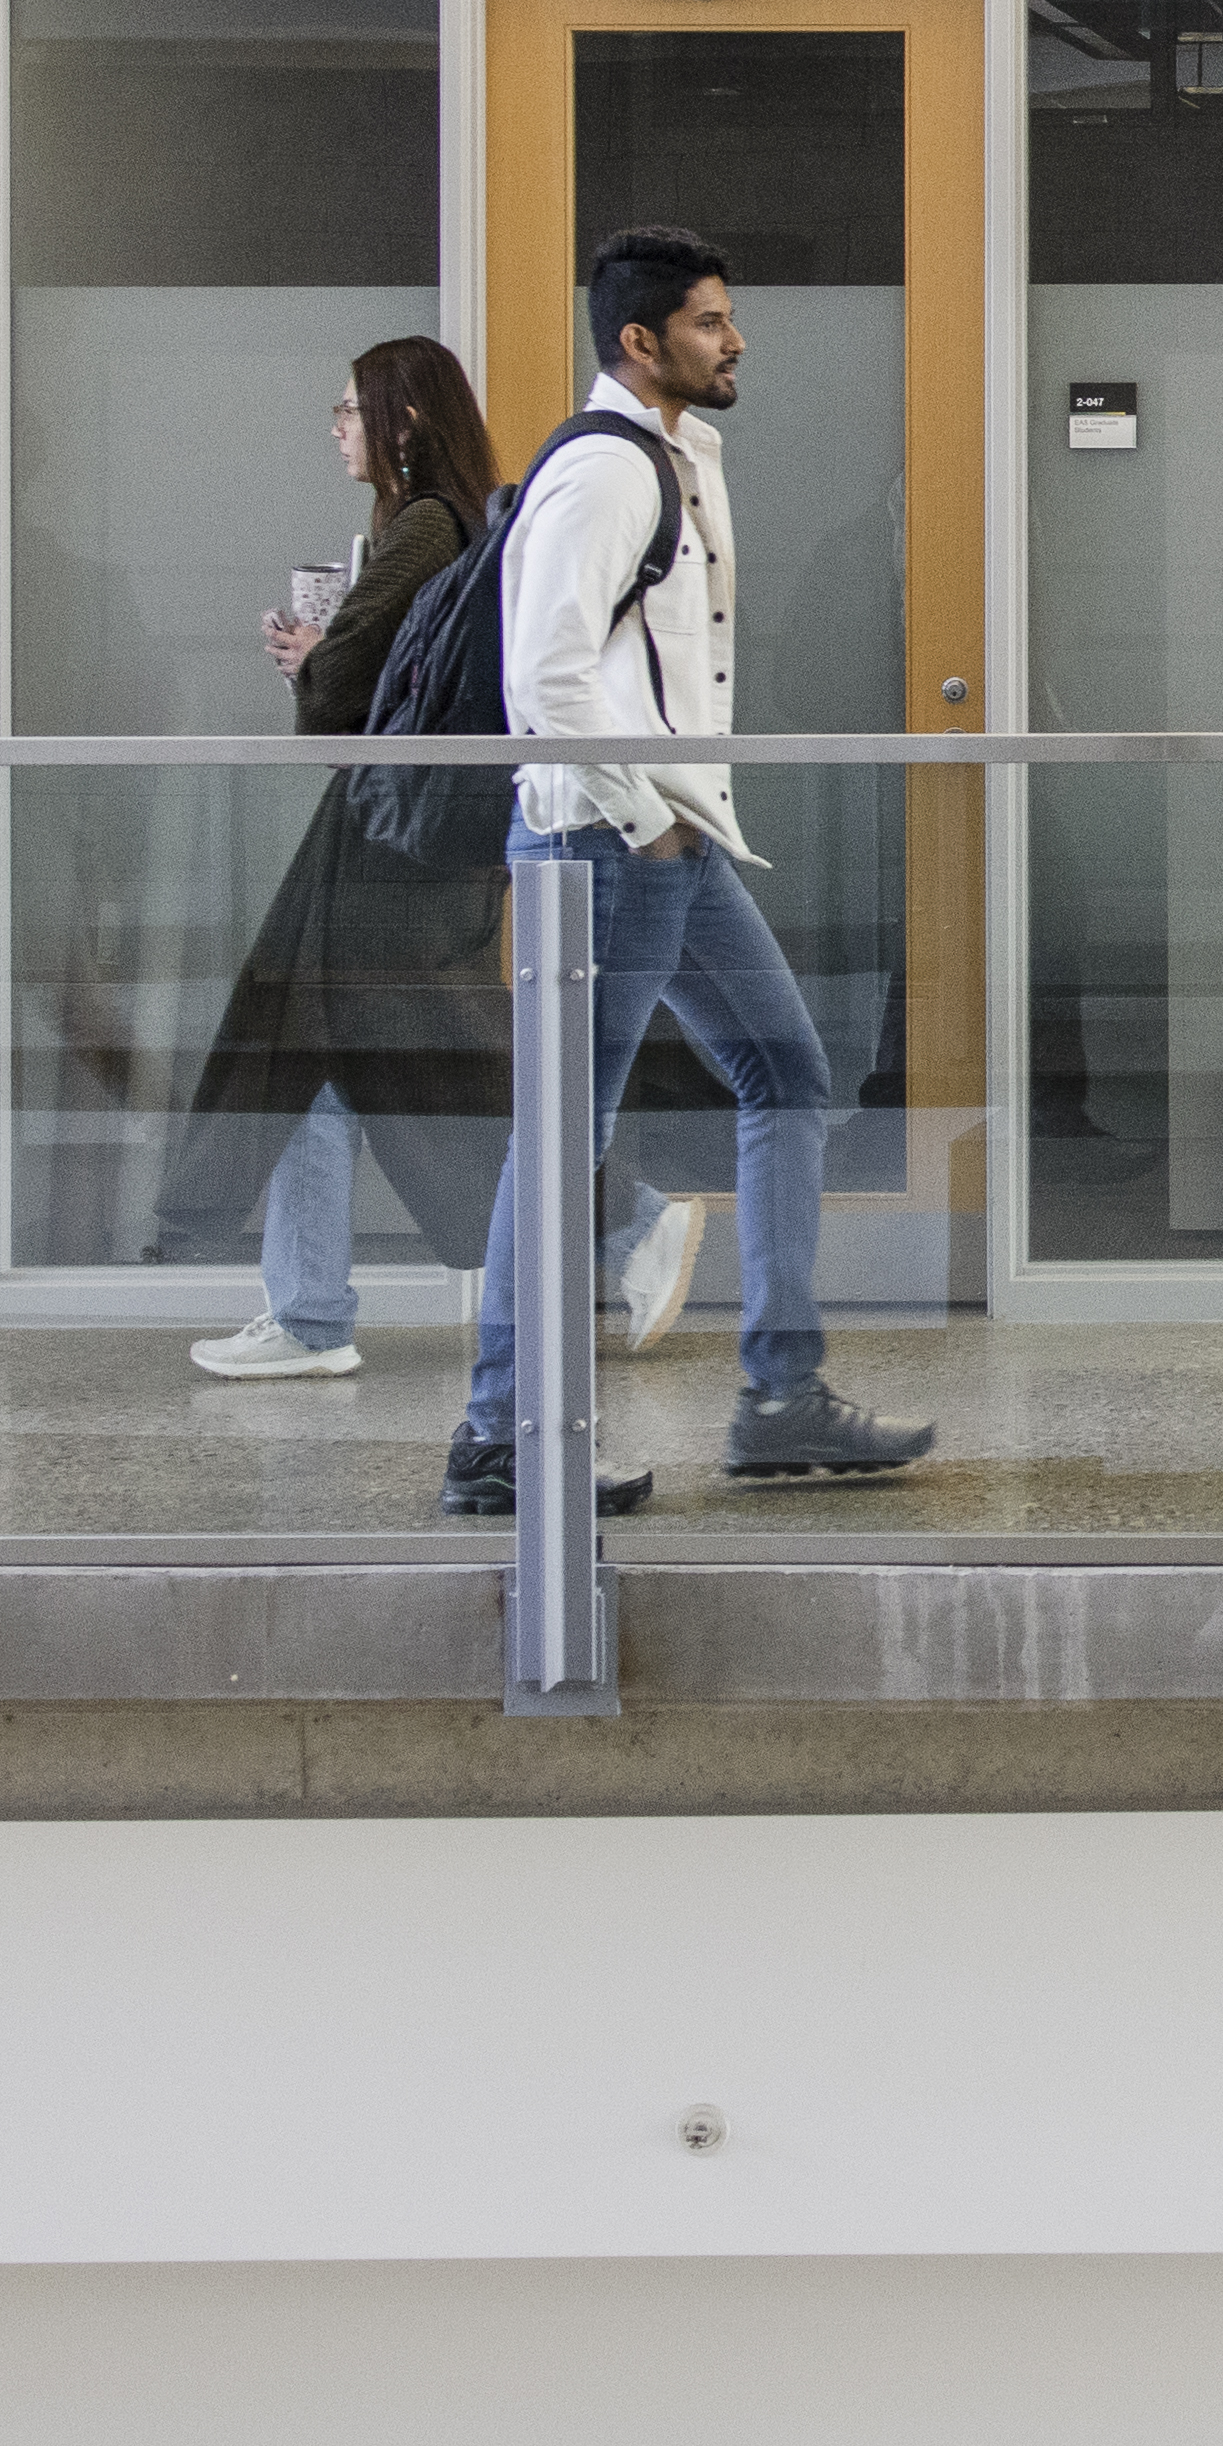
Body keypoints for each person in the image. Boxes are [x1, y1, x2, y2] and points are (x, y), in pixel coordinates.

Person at [465, 223, 930, 1511]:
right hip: (606, 845)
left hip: (668, 841)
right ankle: (498, 1437)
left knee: (786, 1071)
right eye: (710, 321)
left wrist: (668, 821)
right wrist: (639, 814)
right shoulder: (606, 472)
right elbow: (540, 677)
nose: (736, 341)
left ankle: (780, 1397)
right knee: (564, 1134)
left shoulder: (676, 459)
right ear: (641, 339)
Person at [149, 335, 701, 1374]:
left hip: (386, 846)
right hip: (418, 833)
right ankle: (311, 1311)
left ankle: (622, 1220)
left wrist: (313, 662)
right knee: (322, 1061)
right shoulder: (461, 521)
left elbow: (348, 690)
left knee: (406, 1066)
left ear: (402, 421)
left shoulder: (422, 529)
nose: (337, 429)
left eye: (350, 409)